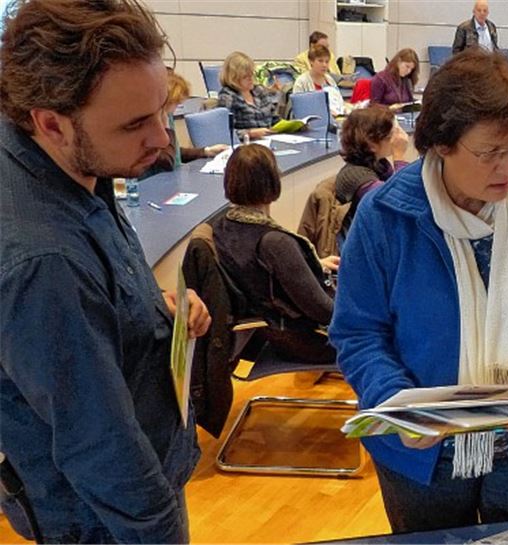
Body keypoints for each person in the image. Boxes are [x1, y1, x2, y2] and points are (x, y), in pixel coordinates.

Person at [329, 49, 508, 533]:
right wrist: (397, 400)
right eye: (490, 152)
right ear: (440, 143)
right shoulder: (385, 218)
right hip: (423, 459)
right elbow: (358, 334)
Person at [0, 0, 213, 542]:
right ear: (52, 124)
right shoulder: (44, 262)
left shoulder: (69, 157)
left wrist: (149, 306)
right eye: (136, 124)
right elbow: (101, 446)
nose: (163, 139)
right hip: (109, 520)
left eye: (161, 111)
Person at [211, 145, 337, 364]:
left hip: (263, 334)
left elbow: (261, 275)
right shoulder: (274, 242)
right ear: (272, 181)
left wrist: (314, 264)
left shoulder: (222, 226)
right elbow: (323, 311)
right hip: (303, 339)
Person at [335, 106, 410, 241]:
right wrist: (399, 156)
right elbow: (398, 205)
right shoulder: (355, 176)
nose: (398, 138)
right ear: (371, 144)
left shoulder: (380, 166)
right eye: (392, 135)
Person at [143, 70, 228, 178]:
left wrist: (206, 151)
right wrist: (167, 128)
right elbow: (167, 160)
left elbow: (176, 152)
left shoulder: (167, 117)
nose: (178, 106)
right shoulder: (152, 124)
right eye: (177, 102)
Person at [217, 51, 279, 140]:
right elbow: (225, 131)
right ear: (233, 78)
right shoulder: (227, 96)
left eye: (252, 74)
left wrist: (292, 126)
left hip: (270, 139)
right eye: (245, 77)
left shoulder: (259, 91)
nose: (251, 79)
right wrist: (250, 133)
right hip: (246, 145)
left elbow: (275, 119)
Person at [292, 44, 346, 117]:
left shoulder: (330, 80)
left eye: (327, 62)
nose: (324, 65)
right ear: (311, 61)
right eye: (320, 61)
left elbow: (339, 102)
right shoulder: (301, 82)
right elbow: (299, 109)